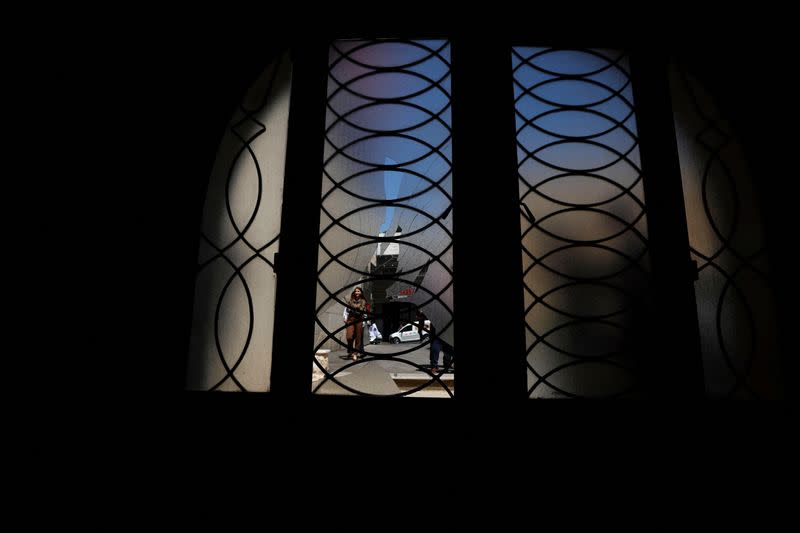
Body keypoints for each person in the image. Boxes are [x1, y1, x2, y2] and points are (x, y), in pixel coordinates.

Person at [415, 309, 453, 375]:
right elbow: (421, 317)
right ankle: (434, 366)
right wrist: (420, 330)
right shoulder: (433, 310)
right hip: (436, 335)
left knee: (448, 350)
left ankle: (447, 364)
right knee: (435, 349)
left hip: (447, 333)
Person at [343, 286, 368, 361]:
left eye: (358, 291)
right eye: (356, 291)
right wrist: (345, 317)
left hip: (359, 319)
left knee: (358, 337)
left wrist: (364, 321)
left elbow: (365, 313)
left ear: (361, 293)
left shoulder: (363, 301)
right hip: (351, 319)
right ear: (354, 292)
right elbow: (346, 310)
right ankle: (350, 350)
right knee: (349, 337)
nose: (357, 292)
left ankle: (355, 353)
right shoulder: (350, 301)